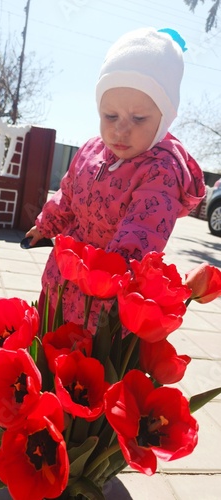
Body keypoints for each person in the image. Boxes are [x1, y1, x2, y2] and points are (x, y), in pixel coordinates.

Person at [25, 27, 206, 328]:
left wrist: (104, 277)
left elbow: (142, 233)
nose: (120, 130)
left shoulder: (161, 170)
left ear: (165, 117)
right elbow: (67, 194)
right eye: (110, 116)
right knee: (47, 347)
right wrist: (45, 225)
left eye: (138, 119)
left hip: (103, 300)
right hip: (62, 278)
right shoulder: (91, 150)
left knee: (84, 369)